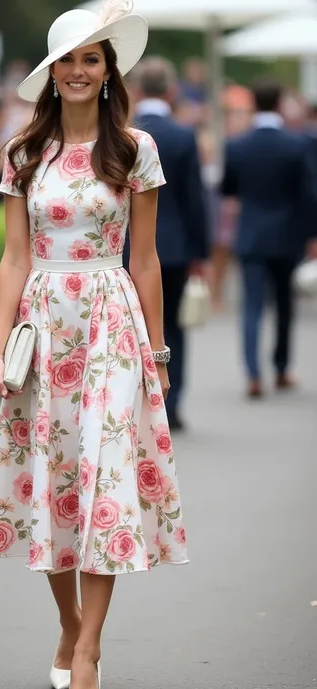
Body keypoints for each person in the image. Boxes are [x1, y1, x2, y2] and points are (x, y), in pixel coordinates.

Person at [0, 3, 188, 689]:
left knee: (103, 486)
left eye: (91, 59)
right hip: (43, 324)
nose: (77, 70)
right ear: (52, 71)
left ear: (106, 71)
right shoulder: (21, 152)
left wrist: (156, 350)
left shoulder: (135, 148)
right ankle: (67, 623)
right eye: (67, 59)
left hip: (110, 324)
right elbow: (13, 257)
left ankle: (89, 649)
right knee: (54, 484)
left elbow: (147, 261)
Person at [123, 57, 208, 431]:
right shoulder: (183, 134)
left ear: (138, 91)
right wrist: (199, 252)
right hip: (174, 247)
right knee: (171, 325)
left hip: (126, 246)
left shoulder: (124, 134)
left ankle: (132, 404)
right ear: (171, 91)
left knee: (130, 327)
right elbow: (195, 199)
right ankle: (170, 407)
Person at [222, 77, 317, 397]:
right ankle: (280, 367)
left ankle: (252, 373)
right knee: (284, 305)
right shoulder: (298, 143)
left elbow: (228, 188)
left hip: (250, 233)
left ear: (253, 103)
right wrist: (312, 234)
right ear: (279, 104)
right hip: (287, 234)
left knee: (251, 306)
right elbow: (308, 194)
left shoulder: (237, 144)